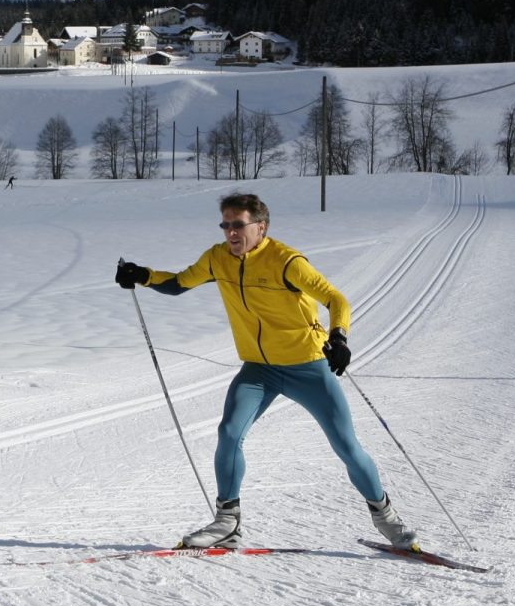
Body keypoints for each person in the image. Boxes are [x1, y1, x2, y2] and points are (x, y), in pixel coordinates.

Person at [117, 192, 419, 551]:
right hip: (258, 370)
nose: (230, 232)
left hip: (307, 367)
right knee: (229, 433)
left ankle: (387, 519)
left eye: (238, 224)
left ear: (260, 227)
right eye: (225, 224)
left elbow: (336, 299)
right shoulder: (217, 259)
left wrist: (339, 337)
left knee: (346, 446)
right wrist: (144, 275)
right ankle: (227, 523)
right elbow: (180, 283)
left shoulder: (286, 261)